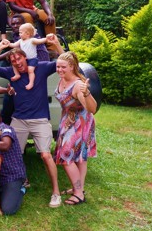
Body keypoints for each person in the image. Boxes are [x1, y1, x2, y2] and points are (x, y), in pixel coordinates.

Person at [0, 37, 64, 208]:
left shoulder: (40, 68)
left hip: (40, 120)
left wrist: (57, 44)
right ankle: (22, 180)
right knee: (11, 153)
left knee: (45, 155)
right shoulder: (10, 73)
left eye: (19, 58)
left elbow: (63, 60)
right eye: (13, 60)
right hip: (19, 120)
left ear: (25, 57)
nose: (16, 62)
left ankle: (56, 193)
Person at [54, 52, 97, 205]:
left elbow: (92, 108)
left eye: (63, 67)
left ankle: (79, 194)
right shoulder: (62, 80)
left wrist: (87, 94)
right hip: (67, 121)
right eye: (57, 66)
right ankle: (78, 188)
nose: (59, 69)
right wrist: (62, 124)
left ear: (72, 67)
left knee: (66, 157)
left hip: (81, 123)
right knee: (79, 157)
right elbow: (65, 105)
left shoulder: (78, 85)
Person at [6, 23, 52, 90]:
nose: (19, 34)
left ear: (27, 34)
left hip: (32, 59)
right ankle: (17, 74)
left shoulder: (32, 40)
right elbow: (13, 45)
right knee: (14, 64)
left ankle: (31, 83)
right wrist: (8, 43)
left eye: (21, 33)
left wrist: (47, 38)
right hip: (24, 59)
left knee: (30, 70)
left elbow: (41, 41)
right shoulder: (20, 41)